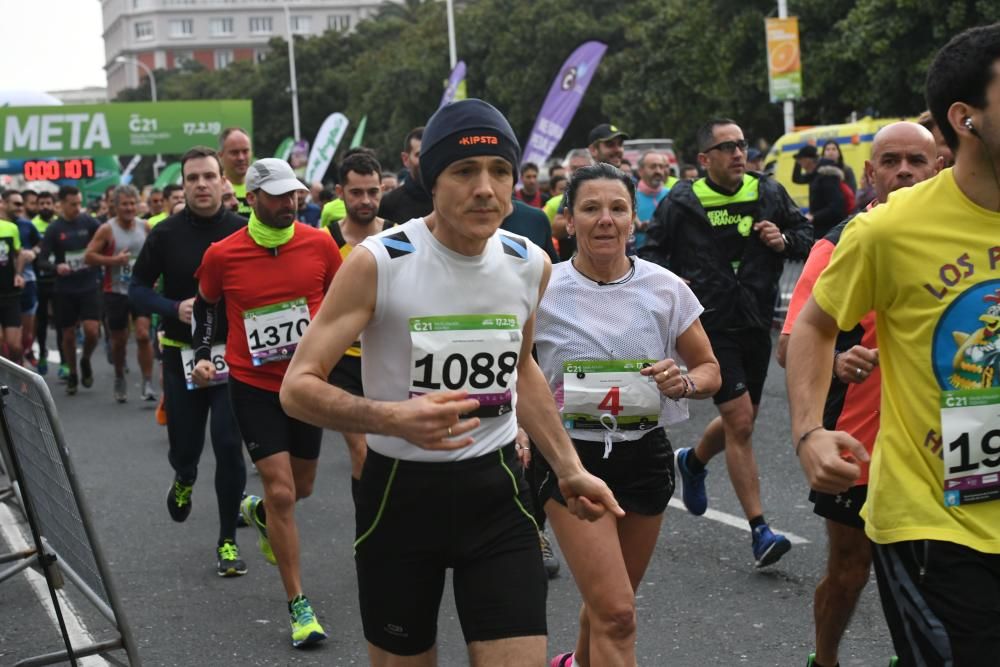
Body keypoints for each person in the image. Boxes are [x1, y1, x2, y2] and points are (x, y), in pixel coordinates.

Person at [280, 98, 622, 666]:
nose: (485, 188)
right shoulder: (380, 262)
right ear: (430, 181)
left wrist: (569, 469)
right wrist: (391, 417)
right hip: (399, 498)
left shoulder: (528, 262)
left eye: (500, 172)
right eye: (465, 172)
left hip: (497, 497)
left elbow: (521, 367)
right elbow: (298, 387)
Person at [787, 25, 1000, 666]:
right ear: (966, 119)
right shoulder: (887, 230)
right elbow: (815, 326)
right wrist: (807, 433)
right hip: (935, 519)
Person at [534, 163, 720, 667]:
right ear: (568, 220)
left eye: (617, 209)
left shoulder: (664, 287)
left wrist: (681, 380)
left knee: (607, 604)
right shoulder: (543, 288)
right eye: (591, 209)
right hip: (570, 461)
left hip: (644, 457)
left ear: (633, 220)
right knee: (618, 613)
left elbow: (708, 369)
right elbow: (512, 371)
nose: (605, 220)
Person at [777, 122, 940, 667]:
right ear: (869, 173)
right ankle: (824, 658)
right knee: (850, 571)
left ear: (938, 166)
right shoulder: (842, 241)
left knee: (943, 571)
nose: (903, 172)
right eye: (890, 161)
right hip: (862, 444)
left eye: (916, 161)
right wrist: (838, 360)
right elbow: (792, 341)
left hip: (941, 444)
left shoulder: (959, 234)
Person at [641, 118, 812, 567]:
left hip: (755, 319)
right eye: (728, 147)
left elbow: (807, 237)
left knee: (745, 418)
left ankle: (693, 463)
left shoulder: (768, 193)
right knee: (739, 420)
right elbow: (649, 252)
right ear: (704, 160)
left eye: (742, 145)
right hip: (708, 323)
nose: (739, 153)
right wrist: (668, 280)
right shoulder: (682, 201)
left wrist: (784, 240)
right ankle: (760, 530)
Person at [191, 158, 341, 648]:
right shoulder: (223, 254)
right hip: (253, 384)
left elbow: (341, 302)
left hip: (307, 383)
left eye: (294, 193)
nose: (289, 202)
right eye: (277, 195)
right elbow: (207, 305)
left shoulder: (320, 243)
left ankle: (256, 513)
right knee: (281, 493)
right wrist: (202, 355)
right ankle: (299, 605)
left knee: (302, 488)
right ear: (250, 198)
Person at [129, 146, 248, 578]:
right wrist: (172, 306)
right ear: (182, 185)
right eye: (192, 178)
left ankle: (228, 541)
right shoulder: (164, 233)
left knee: (229, 444)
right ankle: (184, 476)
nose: (201, 184)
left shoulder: (243, 230)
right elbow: (136, 288)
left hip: (230, 357)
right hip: (181, 354)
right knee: (186, 446)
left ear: (223, 182)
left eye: (208, 177)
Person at [328, 151, 387, 488]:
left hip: (388, 361)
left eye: (373, 192)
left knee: (394, 454)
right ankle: (367, 536)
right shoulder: (325, 242)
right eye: (356, 192)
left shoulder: (398, 237)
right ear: (340, 192)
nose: (366, 201)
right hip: (345, 365)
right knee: (363, 452)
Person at [84, 185, 156, 403]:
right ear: (115, 206)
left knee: (143, 335)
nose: (129, 208)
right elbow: (88, 256)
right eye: (124, 204)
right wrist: (114, 261)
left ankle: (147, 382)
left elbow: (156, 254)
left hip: (141, 289)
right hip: (115, 291)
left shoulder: (145, 227)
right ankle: (119, 377)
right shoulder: (107, 229)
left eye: (132, 203)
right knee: (119, 341)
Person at [39, 186, 102, 395]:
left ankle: (85, 359)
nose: (77, 208)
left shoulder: (89, 222)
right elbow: (41, 260)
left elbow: (106, 239)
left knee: (92, 331)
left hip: (89, 284)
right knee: (67, 335)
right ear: (62, 204)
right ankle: (73, 372)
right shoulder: (55, 229)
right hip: (65, 288)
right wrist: (56, 267)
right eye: (73, 204)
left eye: (79, 203)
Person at [377, 126, 432, 223]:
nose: (426, 160)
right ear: (405, 159)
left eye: (431, 153)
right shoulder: (388, 204)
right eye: (419, 155)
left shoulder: (451, 198)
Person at [793, 145, 847, 239]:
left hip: (830, 231)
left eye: (800, 160)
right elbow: (796, 179)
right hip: (821, 230)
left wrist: (814, 216)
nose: (799, 163)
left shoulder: (826, 175)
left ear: (808, 160)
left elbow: (836, 206)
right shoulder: (814, 174)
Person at [31, 191, 58, 375]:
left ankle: (65, 361)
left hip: (58, 279)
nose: (45, 207)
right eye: (42, 203)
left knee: (61, 320)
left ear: (54, 205)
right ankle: (41, 353)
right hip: (39, 280)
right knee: (40, 321)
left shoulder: (59, 225)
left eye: (48, 203)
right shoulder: (32, 226)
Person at [0, 193, 26, 363]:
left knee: (14, 345)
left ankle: (21, 376)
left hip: (10, 293)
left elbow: (20, 254)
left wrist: (18, 274)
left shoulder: (10, 228)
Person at [634, 150, 671, 251]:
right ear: (640, 171)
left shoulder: (672, 195)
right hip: (640, 258)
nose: (658, 171)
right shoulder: (630, 197)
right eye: (653, 167)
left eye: (661, 167)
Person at [220, 127, 253, 216]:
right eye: (234, 152)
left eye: (245, 151)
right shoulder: (215, 190)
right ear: (220, 155)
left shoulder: (262, 189)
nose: (241, 158)